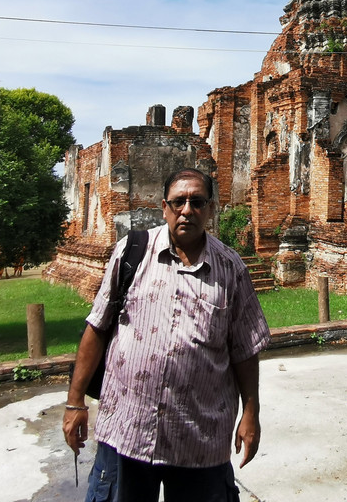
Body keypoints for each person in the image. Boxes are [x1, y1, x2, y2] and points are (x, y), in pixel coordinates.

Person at [62, 168, 270, 502]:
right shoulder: (131, 253)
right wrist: (75, 404)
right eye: (179, 202)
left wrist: (251, 413)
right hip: (128, 429)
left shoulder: (231, 269)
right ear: (164, 207)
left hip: (200, 437)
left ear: (211, 209)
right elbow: (97, 328)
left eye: (197, 202)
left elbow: (245, 349)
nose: (187, 210)